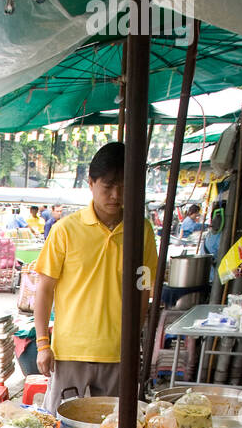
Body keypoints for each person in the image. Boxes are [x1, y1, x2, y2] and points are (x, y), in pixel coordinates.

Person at [33, 141, 157, 413]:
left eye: (124, 185)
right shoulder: (65, 230)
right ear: (91, 183)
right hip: (71, 351)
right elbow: (44, 289)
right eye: (108, 185)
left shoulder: (142, 231)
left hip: (118, 352)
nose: (116, 194)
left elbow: (143, 289)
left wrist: (134, 339)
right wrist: (43, 344)